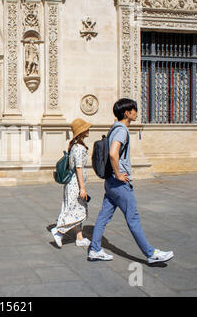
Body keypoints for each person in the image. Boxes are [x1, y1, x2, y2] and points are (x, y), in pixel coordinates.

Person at [88, 98, 174, 264]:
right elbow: (113, 153)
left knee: (103, 217)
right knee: (133, 218)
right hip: (119, 183)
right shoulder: (121, 130)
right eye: (134, 110)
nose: (137, 112)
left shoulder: (114, 128)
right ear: (127, 113)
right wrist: (119, 174)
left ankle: (95, 249)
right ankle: (151, 254)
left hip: (110, 183)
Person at [51, 118, 92, 248]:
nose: (88, 129)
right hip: (76, 184)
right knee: (78, 211)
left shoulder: (75, 146)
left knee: (75, 209)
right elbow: (79, 168)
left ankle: (79, 238)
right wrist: (82, 188)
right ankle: (59, 231)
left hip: (73, 183)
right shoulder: (79, 148)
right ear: (82, 131)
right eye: (86, 128)